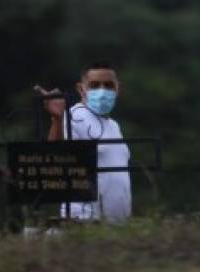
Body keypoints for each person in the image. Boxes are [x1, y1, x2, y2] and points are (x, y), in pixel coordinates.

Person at [36, 60, 131, 222]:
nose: (102, 91)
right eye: (95, 85)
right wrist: (57, 120)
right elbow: (54, 158)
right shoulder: (76, 116)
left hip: (116, 223)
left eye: (108, 85)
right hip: (85, 219)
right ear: (81, 89)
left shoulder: (113, 125)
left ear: (117, 89)